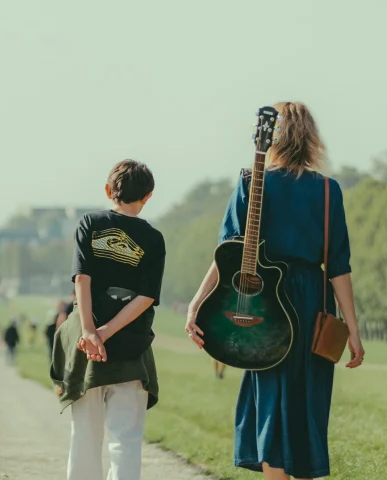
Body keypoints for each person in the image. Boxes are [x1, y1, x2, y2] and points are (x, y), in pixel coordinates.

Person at [184, 102, 364, 480]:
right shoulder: (328, 191)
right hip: (313, 302)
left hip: (267, 303)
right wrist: (353, 330)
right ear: (311, 138)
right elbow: (339, 268)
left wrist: (197, 302)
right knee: (306, 404)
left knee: (269, 402)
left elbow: (227, 255)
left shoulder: (252, 183)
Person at [50, 159, 167, 480]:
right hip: (131, 344)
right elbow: (146, 298)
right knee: (125, 439)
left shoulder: (90, 223)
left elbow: (81, 280)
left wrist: (90, 331)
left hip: (84, 346)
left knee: (84, 437)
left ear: (108, 191)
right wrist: (106, 332)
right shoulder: (154, 238)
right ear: (148, 196)